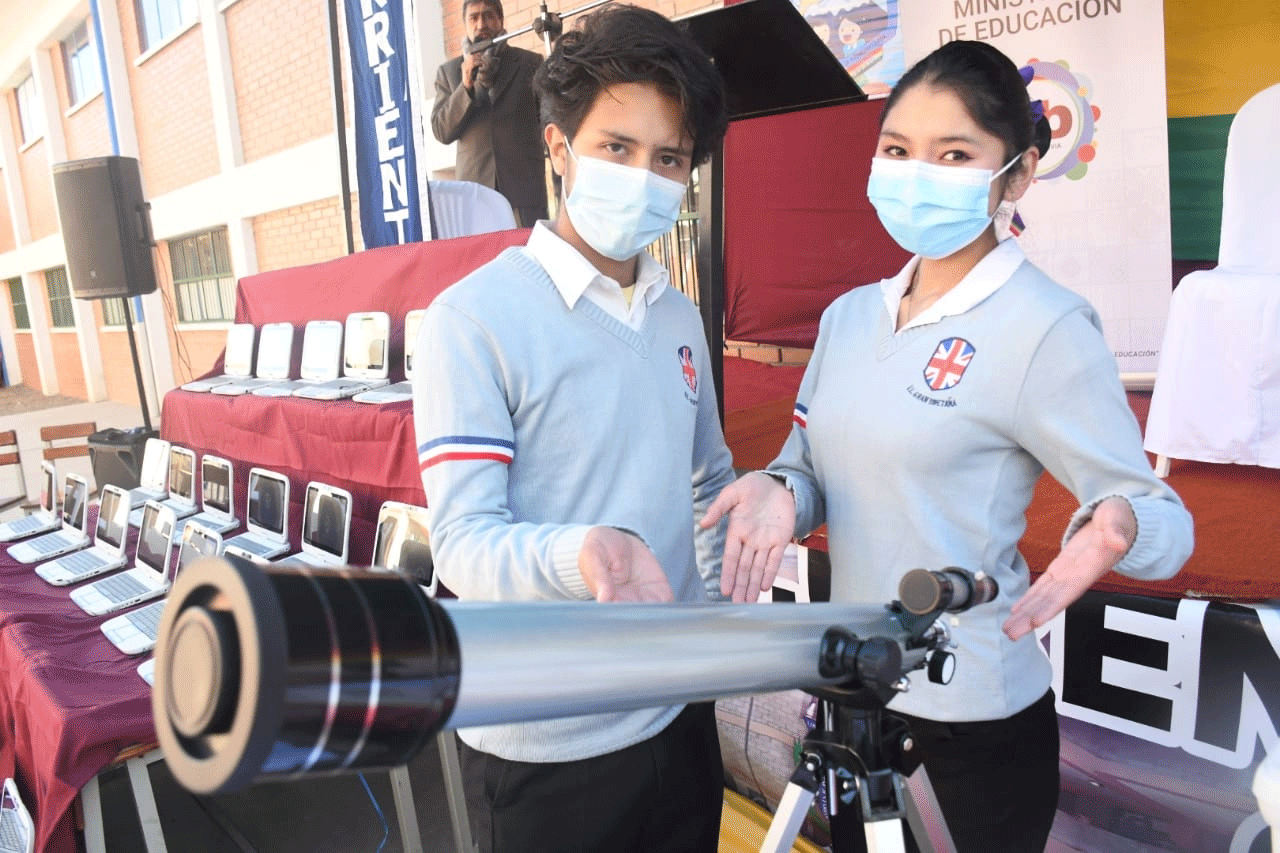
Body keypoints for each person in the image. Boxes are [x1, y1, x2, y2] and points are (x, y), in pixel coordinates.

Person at [702, 39, 1194, 853]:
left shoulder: (1046, 326)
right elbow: (810, 466)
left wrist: (1120, 521)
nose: (917, 173)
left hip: (972, 726)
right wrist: (782, 489)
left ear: (1018, 174)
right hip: (856, 699)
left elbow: (1160, 517)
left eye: (955, 154)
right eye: (898, 149)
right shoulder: (849, 317)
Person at [412, 6, 733, 851]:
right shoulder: (471, 319)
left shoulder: (678, 316)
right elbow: (464, 543)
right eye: (617, 147)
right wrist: (582, 553)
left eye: (669, 158)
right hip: (547, 744)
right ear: (558, 148)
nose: (644, 176)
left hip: (678, 711)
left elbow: (708, 480)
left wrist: (715, 616)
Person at [431, 0, 548, 227]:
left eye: (488, 16)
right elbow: (441, 130)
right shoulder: (450, 73)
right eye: (473, 18)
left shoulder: (530, 64)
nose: (481, 24)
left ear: (500, 20)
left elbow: (548, 121)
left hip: (524, 193)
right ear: (465, 25)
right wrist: (465, 86)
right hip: (475, 197)